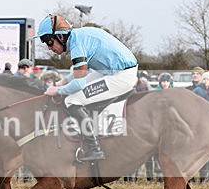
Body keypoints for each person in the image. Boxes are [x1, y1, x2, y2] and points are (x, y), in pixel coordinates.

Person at [38, 14, 138, 162]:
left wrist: (57, 90)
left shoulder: (77, 45)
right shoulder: (78, 37)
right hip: (110, 71)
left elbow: (79, 83)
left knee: (72, 100)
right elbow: (84, 70)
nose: (49, 47)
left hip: (121, 75)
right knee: (72, 93)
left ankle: (94, 148)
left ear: (60, 36)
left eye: (49, 42)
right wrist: (63, 82)